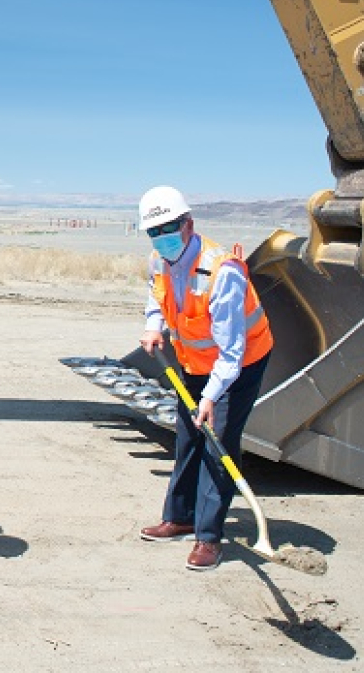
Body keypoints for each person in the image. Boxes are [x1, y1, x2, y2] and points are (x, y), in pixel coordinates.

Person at [134, 185, 273, 571]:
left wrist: (211, 397)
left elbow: (232, 351)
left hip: (240, 364)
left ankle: (209, 538)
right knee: (187, 435)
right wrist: (153, 325)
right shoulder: (158, 260)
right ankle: (179, 518)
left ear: (188, 224)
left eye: (168, 227)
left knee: (218, 442)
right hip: (194, 361)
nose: (161, 237)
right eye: (153, 231)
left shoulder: (221, 272)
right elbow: (155, 296)